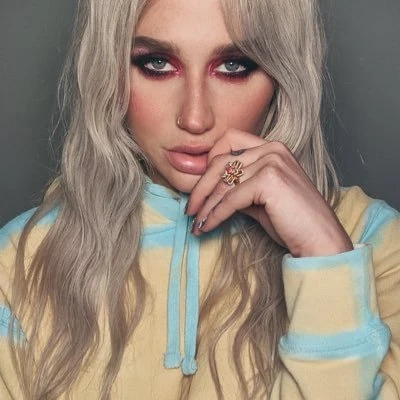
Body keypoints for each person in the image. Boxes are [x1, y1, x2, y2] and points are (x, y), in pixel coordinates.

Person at [0, 0, 399, 398]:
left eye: (233, 66)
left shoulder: (374, 243)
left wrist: (325, 260)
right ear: (108, 68)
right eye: (157, 64)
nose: (194, 118)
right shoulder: (20, 260)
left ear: (283, 75)